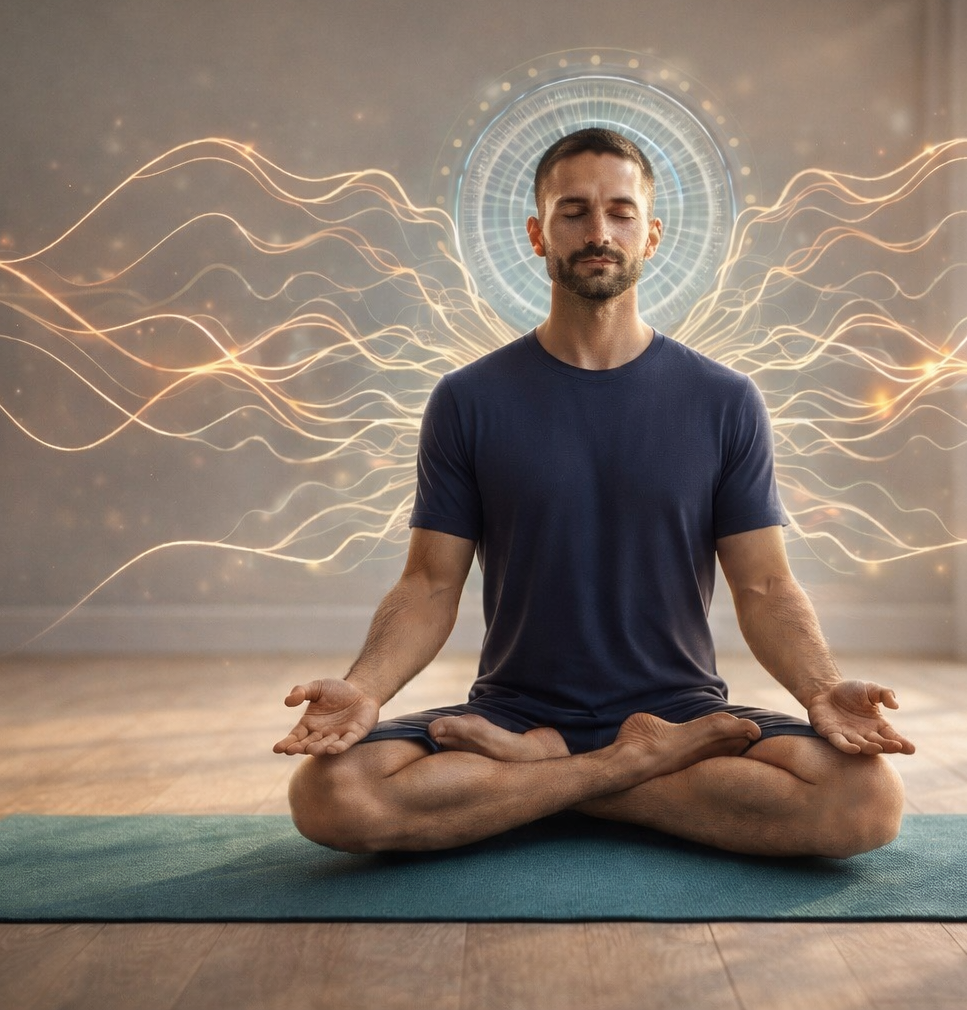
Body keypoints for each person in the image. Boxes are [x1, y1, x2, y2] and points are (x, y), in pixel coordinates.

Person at [274, 127, 913, 858]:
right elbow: (427, 585)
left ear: (652, 233)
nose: (598, 231)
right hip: (514, 715)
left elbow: (766, 586)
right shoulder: (468, 399)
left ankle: (543, 783)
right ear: (538, 235)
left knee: (863, 803)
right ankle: (615, 771)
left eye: (620, 211)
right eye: (573, 211)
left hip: (681, 717)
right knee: (331, 796)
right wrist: (366, 689)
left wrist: (820, 689)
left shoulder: (725, 400)